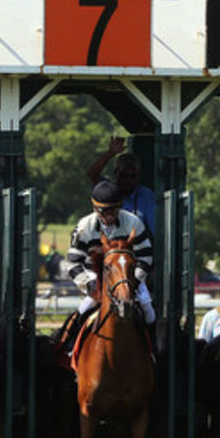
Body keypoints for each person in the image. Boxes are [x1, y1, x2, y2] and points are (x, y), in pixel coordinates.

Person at [59, 181, 156, 353]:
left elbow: (146, 256)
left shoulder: (134, 223)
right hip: (95, 278)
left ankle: (154, 350)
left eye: (114, 211)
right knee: (84, 309)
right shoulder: (84, 227)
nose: (110, 217)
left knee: (147, 308)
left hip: (128, 277)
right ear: (95, 208)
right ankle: (67, 345)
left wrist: (134, 280)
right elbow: (73, 262)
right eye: (105, 212)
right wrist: (89, 284)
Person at [86, 137, 156, 233]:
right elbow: (92, 174)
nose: (128, 180)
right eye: (124, 175)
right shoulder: (108, 191)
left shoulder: (147, 196)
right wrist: (110, 153)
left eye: (133, 176)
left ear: (139, 175)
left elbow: (154, 229)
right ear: (116, 173)